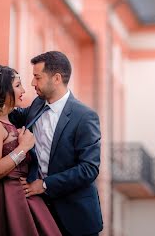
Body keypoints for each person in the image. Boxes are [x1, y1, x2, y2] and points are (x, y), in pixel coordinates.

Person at [9, 51, 103, 236]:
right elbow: (9, 113)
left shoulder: (84, 117)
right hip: (40, 212)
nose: (32, 83)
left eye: (37, 77)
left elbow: (89, 169)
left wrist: (44, 185)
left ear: (57, 78)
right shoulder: (37, 104)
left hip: (76, 218)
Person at [0, 64, 61, 236]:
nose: (23, 89)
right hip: (3, 199)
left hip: (21, 195)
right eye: (17, 85)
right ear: (2, 90)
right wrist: (24, 147)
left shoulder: (9, 121)